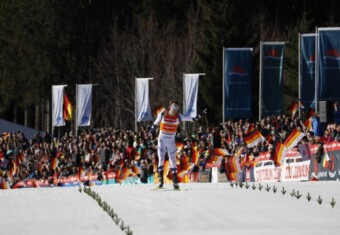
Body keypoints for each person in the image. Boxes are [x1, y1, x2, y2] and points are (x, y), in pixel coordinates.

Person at [149, 100, 200, 189]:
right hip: (162, 140)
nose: (175, 109)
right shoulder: (163, 114)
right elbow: (155, 123)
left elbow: (191, 119)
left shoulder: (179, 116)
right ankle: (161, 182)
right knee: (161, 159)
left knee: (173, 161)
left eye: (177, 108)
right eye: (174, 107)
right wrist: (151, 130)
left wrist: (199, 116)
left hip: (171, 141)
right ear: (170, 107)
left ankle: (175, 182)